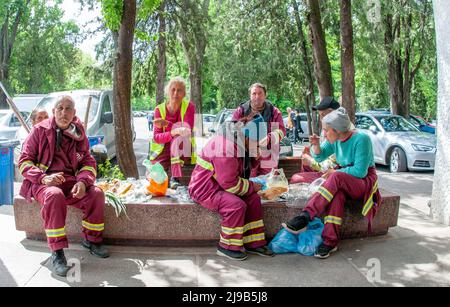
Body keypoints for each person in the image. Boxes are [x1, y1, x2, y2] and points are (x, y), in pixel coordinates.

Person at [18, 95, 109, 277]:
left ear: (74, 113)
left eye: (68, 109)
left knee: (96, 193)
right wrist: (44, 178)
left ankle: (91, 240)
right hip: (43, 184)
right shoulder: (39, 131)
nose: (63, 112)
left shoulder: (78, 133)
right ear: (54, 111)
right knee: (54, 195)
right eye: (60, 108)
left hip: (70, 183)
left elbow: (88, 161)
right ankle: (57, 252)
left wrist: (83, 182)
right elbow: (24, 162)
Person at [282, 107, 381, 259]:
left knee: (335, 178)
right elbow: (320, 157)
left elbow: (360, 172)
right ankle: (330, 242)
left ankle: (306, 216)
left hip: (362, 182)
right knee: (336, 195)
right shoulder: (334, 140)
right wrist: (316, 145)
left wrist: (335, 173)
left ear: (337, 130)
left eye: (326, 130)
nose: (324, 134)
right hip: (341, 180)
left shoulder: (362, 139)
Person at [189, 114, 274, 261]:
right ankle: (227, 246)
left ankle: (253, 242)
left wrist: (254, 157)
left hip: (219, 185)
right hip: (205, 189)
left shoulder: (237, 139)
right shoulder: (226, 147)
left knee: (253, 199)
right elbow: (230, 183)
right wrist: (252, 186)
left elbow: (238, 170)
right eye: (256, 142)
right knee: (236, 205)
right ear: (247, 137)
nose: (258, 145)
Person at [148, 77, 196, 189]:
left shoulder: (189, 107)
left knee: (177, 139)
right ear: (168, 92)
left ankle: (175, 177)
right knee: (156, 180)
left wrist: (167, 125)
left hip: (183, 148)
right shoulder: (159, 110)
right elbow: (157, 137)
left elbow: (186, 130)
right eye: (173, 89)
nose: (175, 93)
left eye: (179, 90)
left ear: (184, 94)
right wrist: (174, 131)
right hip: (163, 149)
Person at [232, 83, 286, 175]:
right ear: (250, 95)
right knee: (249, 180)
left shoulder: (274, 112)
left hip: (268, 153)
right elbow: (234, 132)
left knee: (269, 182)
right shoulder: (241, 111)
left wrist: (268, 139)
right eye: (254, 93)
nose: (257, 96)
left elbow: (281, 132)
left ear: (265, 95)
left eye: (260, 93)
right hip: (247, 155)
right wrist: (251, 146)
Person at [290, 96, 341, 184]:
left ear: (333, 114)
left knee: (296, 178)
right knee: (305, 161)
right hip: (331, 168)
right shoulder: (331, 127)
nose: (321, 119)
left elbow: (333, 166)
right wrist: (315, 147)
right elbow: (321, 154)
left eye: (323, 115)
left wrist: (310, 161)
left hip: (337, 174)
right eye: (320, 115)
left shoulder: (338, 131)